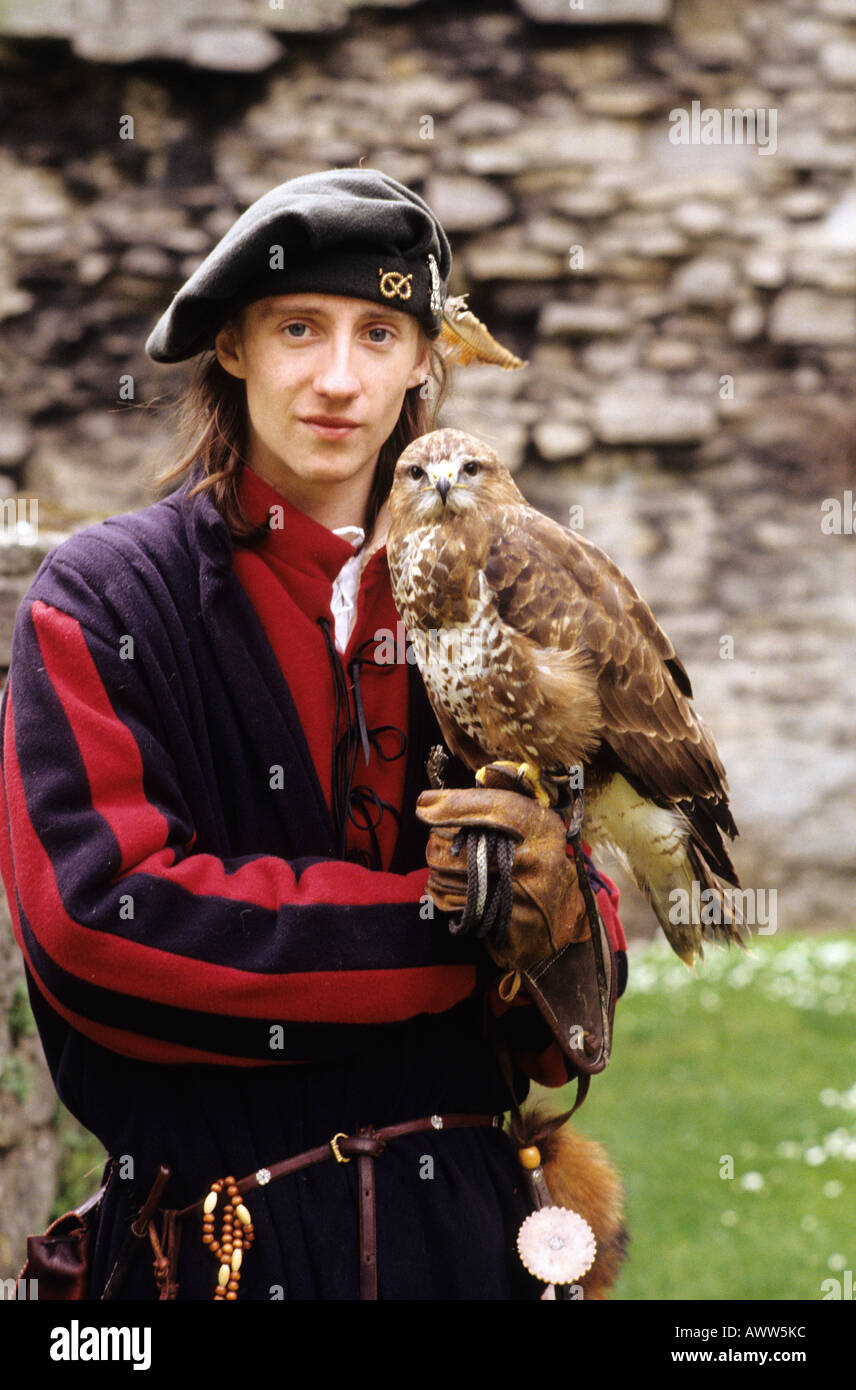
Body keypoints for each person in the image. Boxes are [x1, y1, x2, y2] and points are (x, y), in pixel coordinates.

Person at [0, 167, 627, 1301]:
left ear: (423, 362)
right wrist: (450, 934)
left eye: (379, 333)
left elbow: (573, 956)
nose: (339, 378)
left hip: (478, 1243)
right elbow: (100, 929)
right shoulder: (101, 600)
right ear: (233, 347)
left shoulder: (497, 589)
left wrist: (563, 918)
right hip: (215, 1250)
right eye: (300, 328)